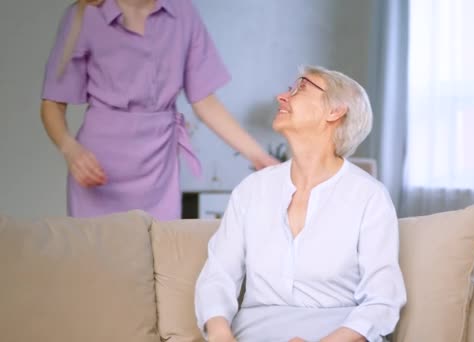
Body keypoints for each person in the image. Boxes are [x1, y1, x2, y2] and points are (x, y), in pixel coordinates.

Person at [194, 66, 406, 342]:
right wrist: (221, 335)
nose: (282, 96)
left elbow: (382, 300)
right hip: (256, 333)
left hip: (340, 335)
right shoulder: (251, 191)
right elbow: (218, 277)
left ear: (336, 111)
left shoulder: (369, 196)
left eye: (300, 88)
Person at [40, 0, 277, 220]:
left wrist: (258, 155)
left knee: (160, 257)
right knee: (98, 260)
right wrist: (71, 150)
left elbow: (204, 101)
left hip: (158, 168)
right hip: (98, 170)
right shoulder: (84, 16)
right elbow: (52, 104)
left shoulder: (183, 13)